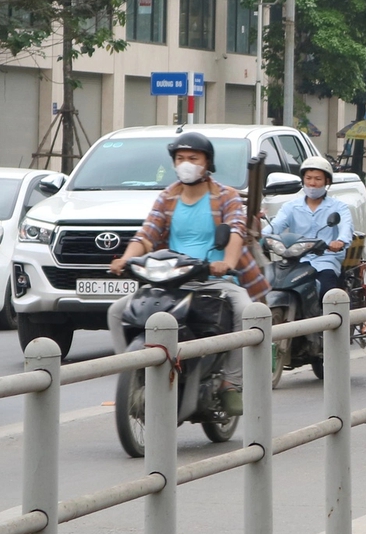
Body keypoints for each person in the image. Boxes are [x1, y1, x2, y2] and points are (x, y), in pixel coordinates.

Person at [105, 131, 268, 415]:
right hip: (172, 279)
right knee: (117, 312)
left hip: (215, 279)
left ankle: (231, 382)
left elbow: (235, 232)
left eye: (193, 158)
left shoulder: (226, 196)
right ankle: (132, 375)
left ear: (207, 163)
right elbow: (147, 234)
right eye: (180, 159)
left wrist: (226, 263)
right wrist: (126, 259)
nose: (186, 164)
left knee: (246, 311)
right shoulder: (168, 197)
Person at [268, 154, 354, 304]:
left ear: (327, 181)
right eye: (308, 178)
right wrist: (263, 237)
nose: (312, 183)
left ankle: (328, 324)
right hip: (297, 260)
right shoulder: (291, 207)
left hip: (326, 260)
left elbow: (346, 228)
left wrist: (340, 241)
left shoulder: (338, 207)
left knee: (327, 293)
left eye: (317, 179)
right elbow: (276, 225)